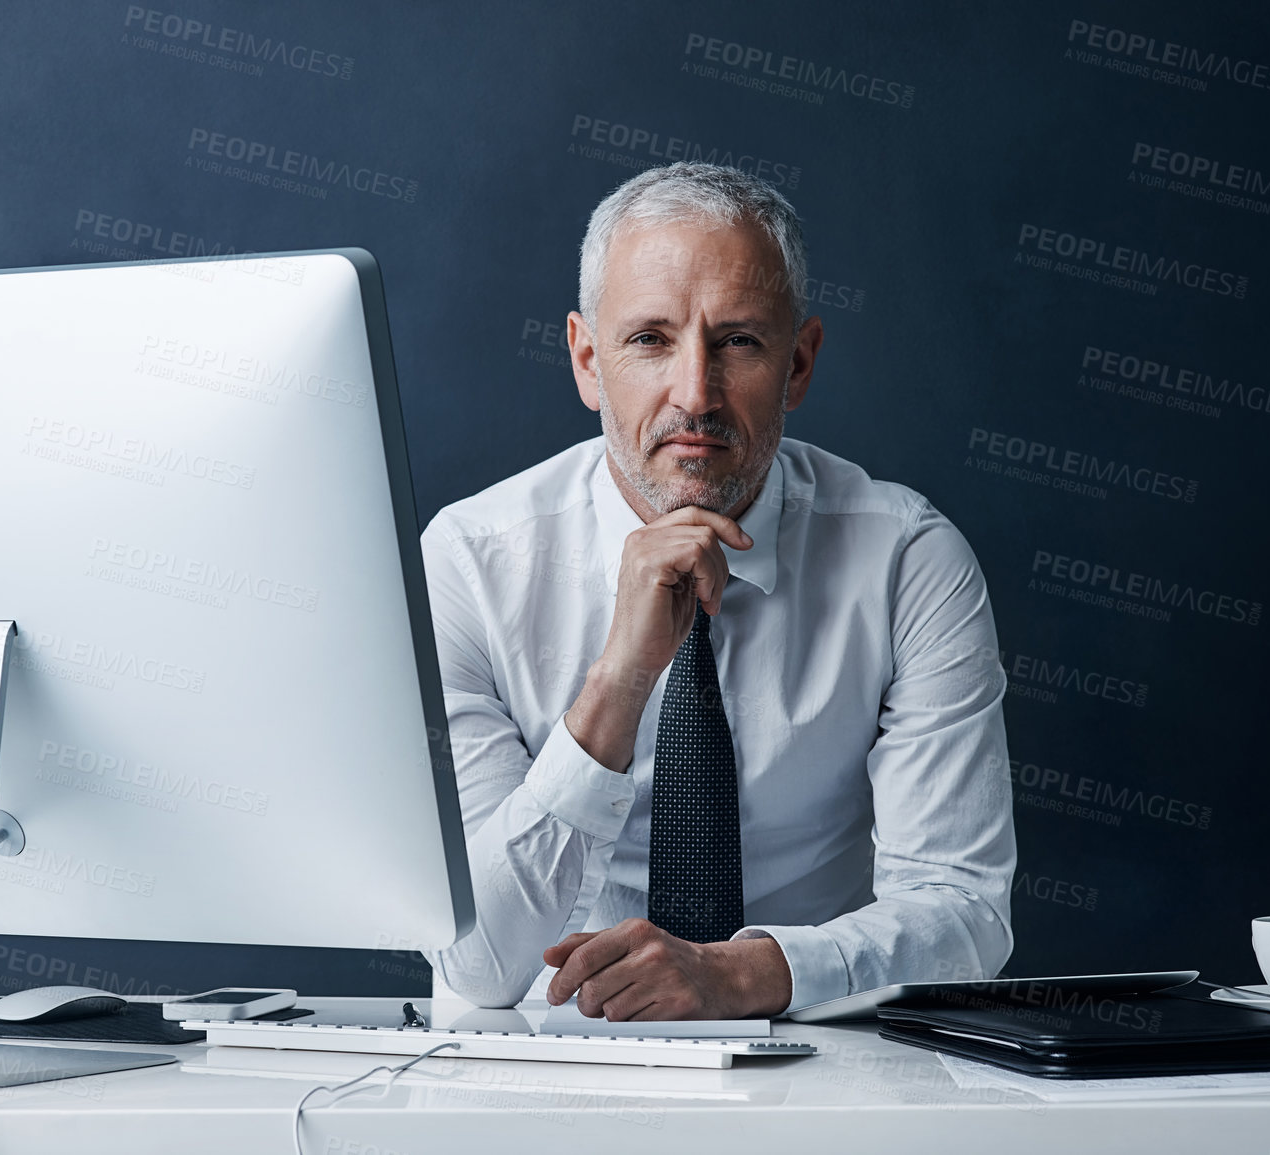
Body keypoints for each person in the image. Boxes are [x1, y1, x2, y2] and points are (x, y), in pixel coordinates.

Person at [421, 162, 1015, 1020]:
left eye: (737, 341)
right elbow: (478, 962)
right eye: (649, 340)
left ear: (798, 364)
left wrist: (736, 975)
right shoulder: (469, 564)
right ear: (588, 361)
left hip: (816, 1068)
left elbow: (964, 915)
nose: (693, 393)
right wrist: (618, 681)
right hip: (532, 1070)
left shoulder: (906, 561)